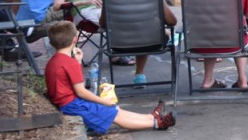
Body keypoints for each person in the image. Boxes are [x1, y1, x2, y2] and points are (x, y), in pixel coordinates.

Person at [45, 21, 176, 132]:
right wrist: (104, 101)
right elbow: (81, 92)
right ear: (75, 39)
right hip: (72, 105)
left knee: (114, 110)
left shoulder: (54, 61)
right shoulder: (69, 63)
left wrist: (78, 62)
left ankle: (150, 117)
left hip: (68, 103)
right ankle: (156, 124)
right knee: (113, 114)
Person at [99, 0, 177, 87]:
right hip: (152, 43)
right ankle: (139, 73)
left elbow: (102, 24)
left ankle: (139, 75)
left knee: (142, 29)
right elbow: (172, 21)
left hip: (118, 46)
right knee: (150, 30)